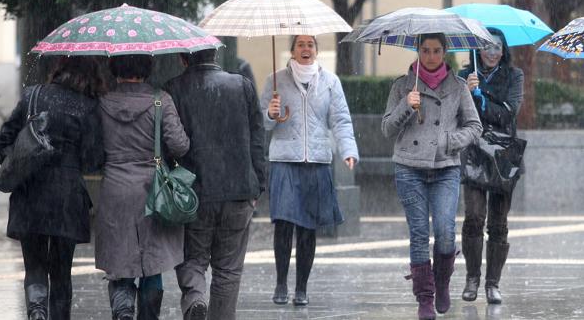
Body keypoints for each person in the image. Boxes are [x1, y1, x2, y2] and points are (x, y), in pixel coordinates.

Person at [0, 56, 106, 320]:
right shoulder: (89, 106)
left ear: (59, 68)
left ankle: (36, 311)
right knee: (61, 273)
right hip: (67, 198)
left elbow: (4, 140)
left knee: (34, 267)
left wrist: (21, 162)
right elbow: (93, 160)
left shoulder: (32, 96)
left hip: (30, 191)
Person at [381, 33, 482, 320]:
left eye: (437, 51)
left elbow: (475, 127)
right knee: (418, 235)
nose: (431, 56)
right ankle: (424, 297)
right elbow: (387, 128)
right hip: (409, 166)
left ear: (445, 53)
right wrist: (405, 107)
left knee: (446, 232)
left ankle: (442, 281)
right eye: (425, 50)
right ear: (418, 50)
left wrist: (449, 140)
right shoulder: (402, 85)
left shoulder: (459, 86)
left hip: (445, 167)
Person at [165, 48, 266, 320]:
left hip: (194, 192)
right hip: (239, 191)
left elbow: (169, 144)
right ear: (216, 56)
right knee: (229, 269)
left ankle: (196, 298)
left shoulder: (173, 88)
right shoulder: (241, 85)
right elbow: (257, 137)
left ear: (183, 59)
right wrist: (258, 185)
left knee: (192, 259)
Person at [262, 35, 359, 307]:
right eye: (300, 45)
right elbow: (262, 123)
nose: (306, 49)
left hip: (316, 162)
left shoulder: (330, 82)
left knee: (308, 228)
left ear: (316, 50)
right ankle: (281, 281)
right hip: (284, 160)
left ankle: (301, 287)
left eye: (310, 45)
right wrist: (270, 113)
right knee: (283, 223)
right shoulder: (275, 80)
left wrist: (349, 150)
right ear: (292, 50)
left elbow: (340, 119)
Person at [95, 55, 190, 320]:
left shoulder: (102, 102)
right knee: (152, 261)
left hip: (115, 189)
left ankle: (123, 307)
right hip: (153, 190)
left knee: (120, 261)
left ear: (114, 68)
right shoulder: (160, 101)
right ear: (148, 68)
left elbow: (92, 149)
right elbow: (180, 145)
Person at [458, 28, 524, 305]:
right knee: (474, 216)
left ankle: (492, 283)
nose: (492, 52)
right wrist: (468, 91)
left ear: (503, 49)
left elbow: (509, 112)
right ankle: (472, 278)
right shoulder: (464, 76)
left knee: (498, 222)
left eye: (497, 47)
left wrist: (481, 95)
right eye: (486, 46)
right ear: (476, 50)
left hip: (502, 155)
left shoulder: (514, 75)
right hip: (474, 152)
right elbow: (458, 113)